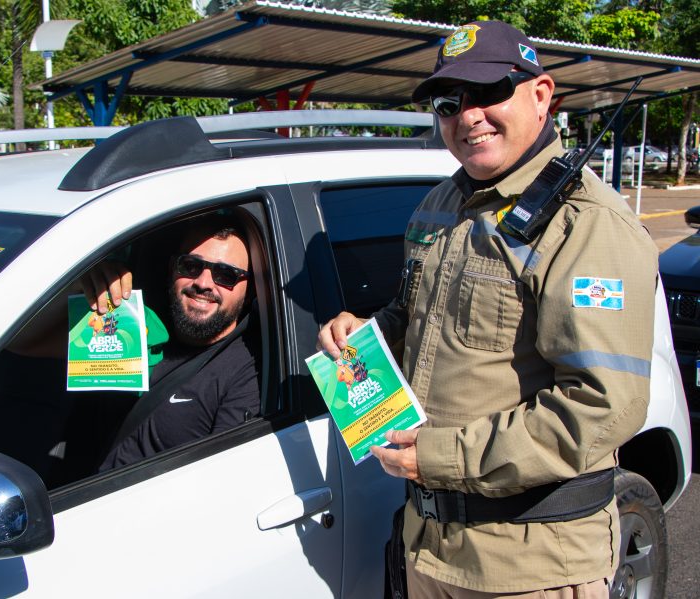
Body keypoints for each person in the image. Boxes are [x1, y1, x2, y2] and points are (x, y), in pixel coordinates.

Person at [317, 20, 657, 598]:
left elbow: (601, 406)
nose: (468, 116)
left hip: (528, 568)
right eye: (450, 102)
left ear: (541, 94)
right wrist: (368, 333)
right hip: (429, 547)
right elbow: (415, 315)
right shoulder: (439, 205)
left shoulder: (587, 223)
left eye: (490, 92)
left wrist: (439, 457)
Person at [83, 213, 260, 470]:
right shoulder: (135, 322)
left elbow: (222, 485)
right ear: (172, 269)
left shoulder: (245, 371)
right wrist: (84, 284)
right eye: (190, 266)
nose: (203, 283)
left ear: (251, 289)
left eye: (226, 274)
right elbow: (25, 344)